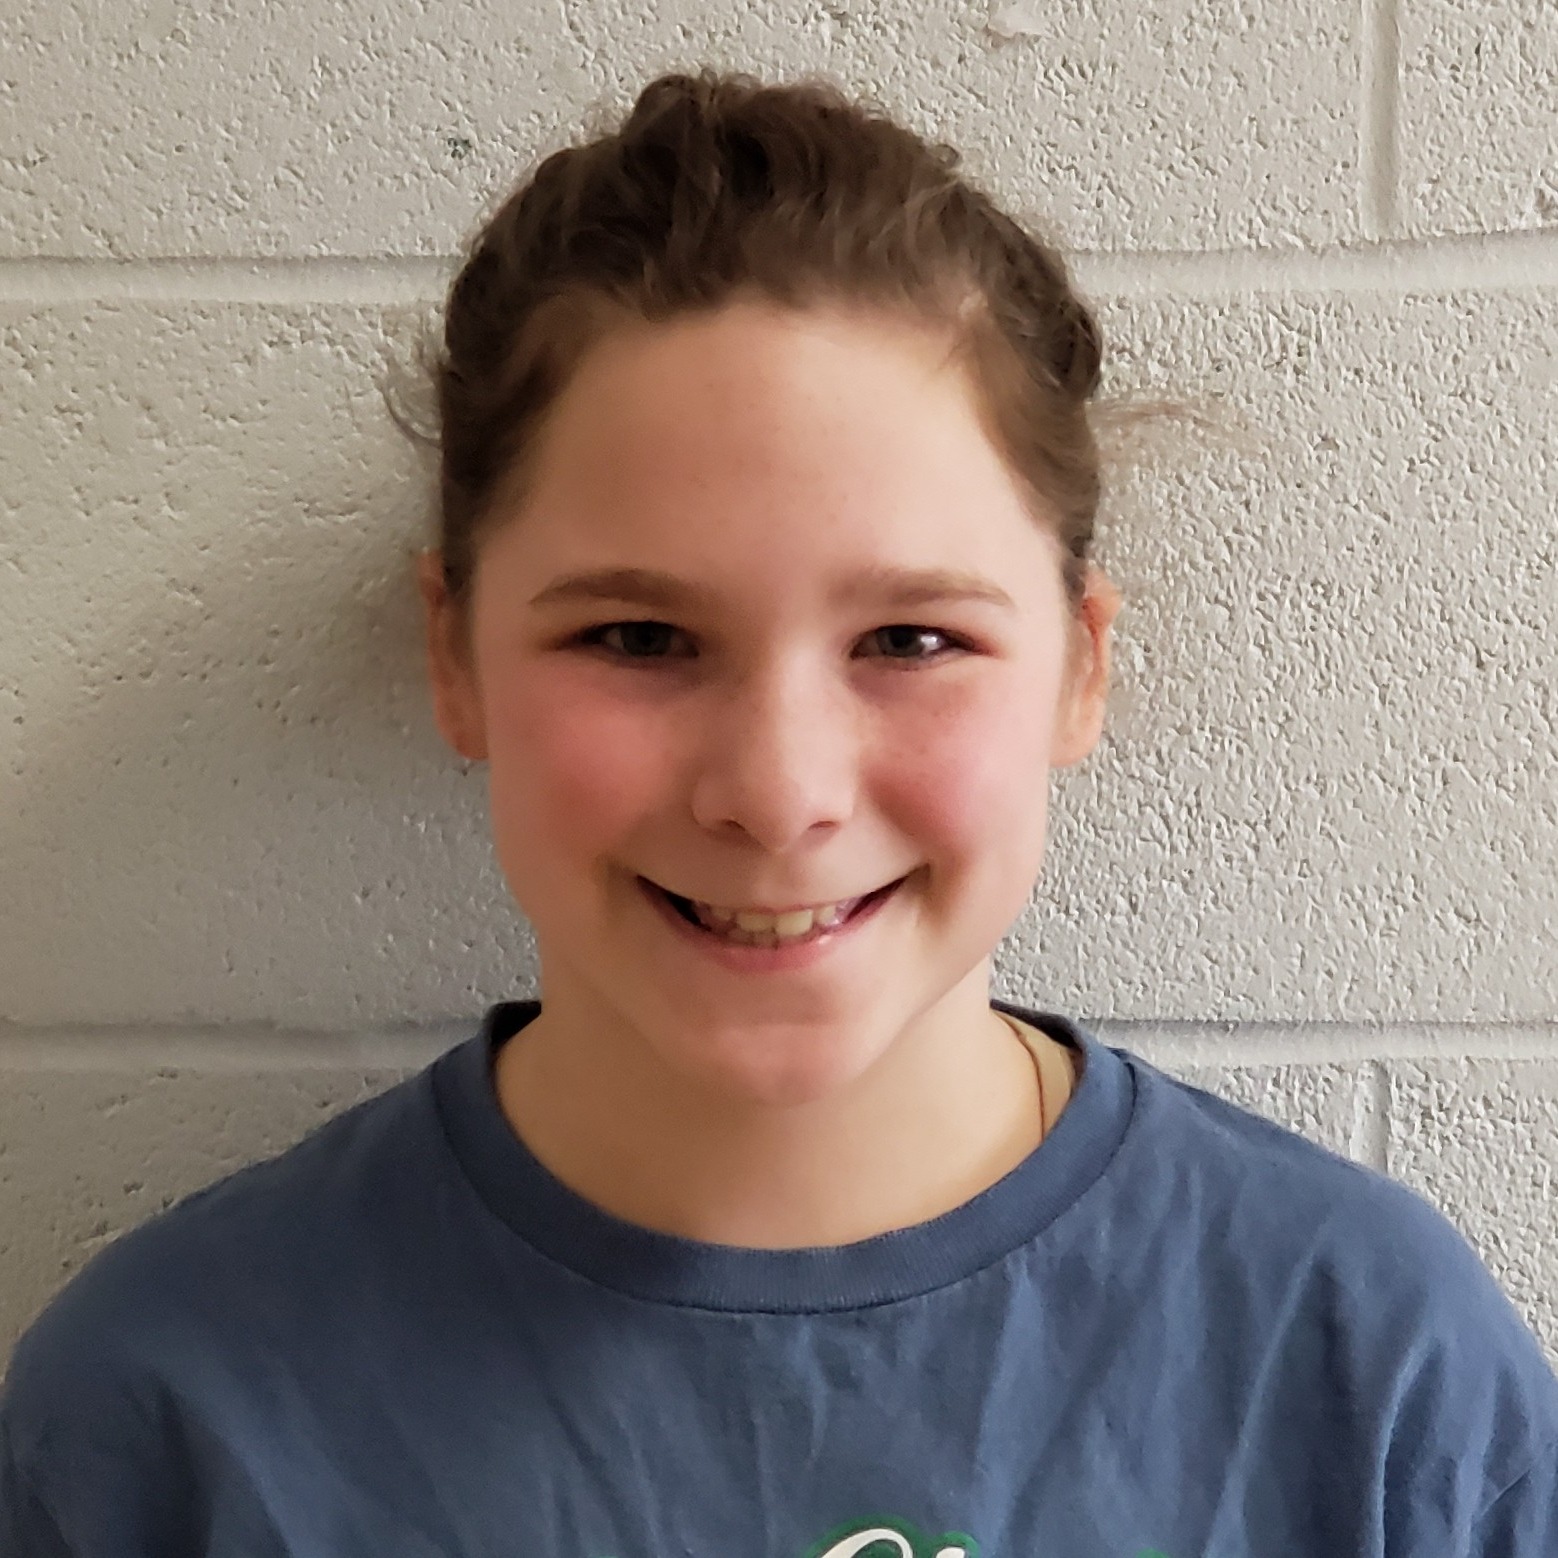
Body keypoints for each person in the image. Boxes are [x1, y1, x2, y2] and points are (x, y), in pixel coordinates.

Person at [2, 68, 1555, 1558]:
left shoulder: (1368, 1364)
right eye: (636, 638)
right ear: (452, 657)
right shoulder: (163, 1413)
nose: (778, 793)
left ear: (1079, 670)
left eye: (911, 641)